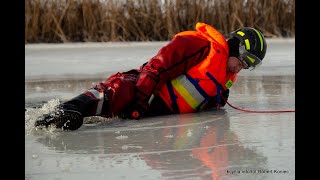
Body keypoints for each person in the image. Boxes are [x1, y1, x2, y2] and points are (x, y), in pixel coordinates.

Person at [34, 22, 267, 131]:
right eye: (244, 61)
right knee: (115, 92)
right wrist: (140, 102)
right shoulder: (199, 45)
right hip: (144, 91)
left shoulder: (224, 76)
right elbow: (156, 67)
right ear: (236, 46)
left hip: (158, 116)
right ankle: (66, 110)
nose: (242, 68)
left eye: (250, 66)